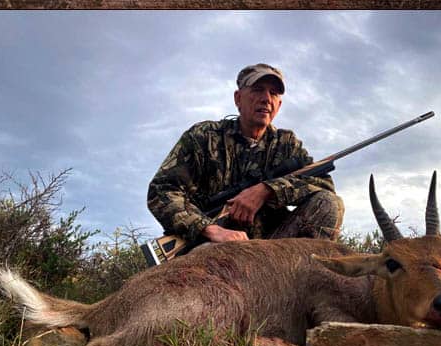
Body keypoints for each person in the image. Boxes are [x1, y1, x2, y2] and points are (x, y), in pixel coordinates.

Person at [147, 63, 344, 247]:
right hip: (216, 246)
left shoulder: (287, 144)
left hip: (271, 249)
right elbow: (162, 190)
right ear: (238, 98)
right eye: (257, 90)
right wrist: (208, 229)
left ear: (279, 105)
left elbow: (323, 184)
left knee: (329, 204)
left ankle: (296, 278)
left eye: (273, 93)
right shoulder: (204, 136)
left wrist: (267, 190)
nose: (266, 98)